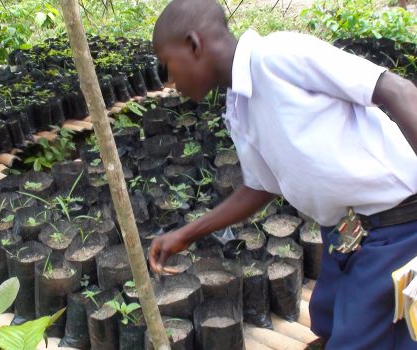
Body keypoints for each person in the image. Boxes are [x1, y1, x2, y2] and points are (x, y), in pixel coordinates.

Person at [147, 0, 417, 349]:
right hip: (349, 232)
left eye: (167, 66)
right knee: (329, 317)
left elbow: (398, 91)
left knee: (362, 336)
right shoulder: (238, 109)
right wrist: (187, 234)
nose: (170, 82)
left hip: (396, 225)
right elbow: (260, 188)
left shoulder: (279, 55)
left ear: (193, 45)